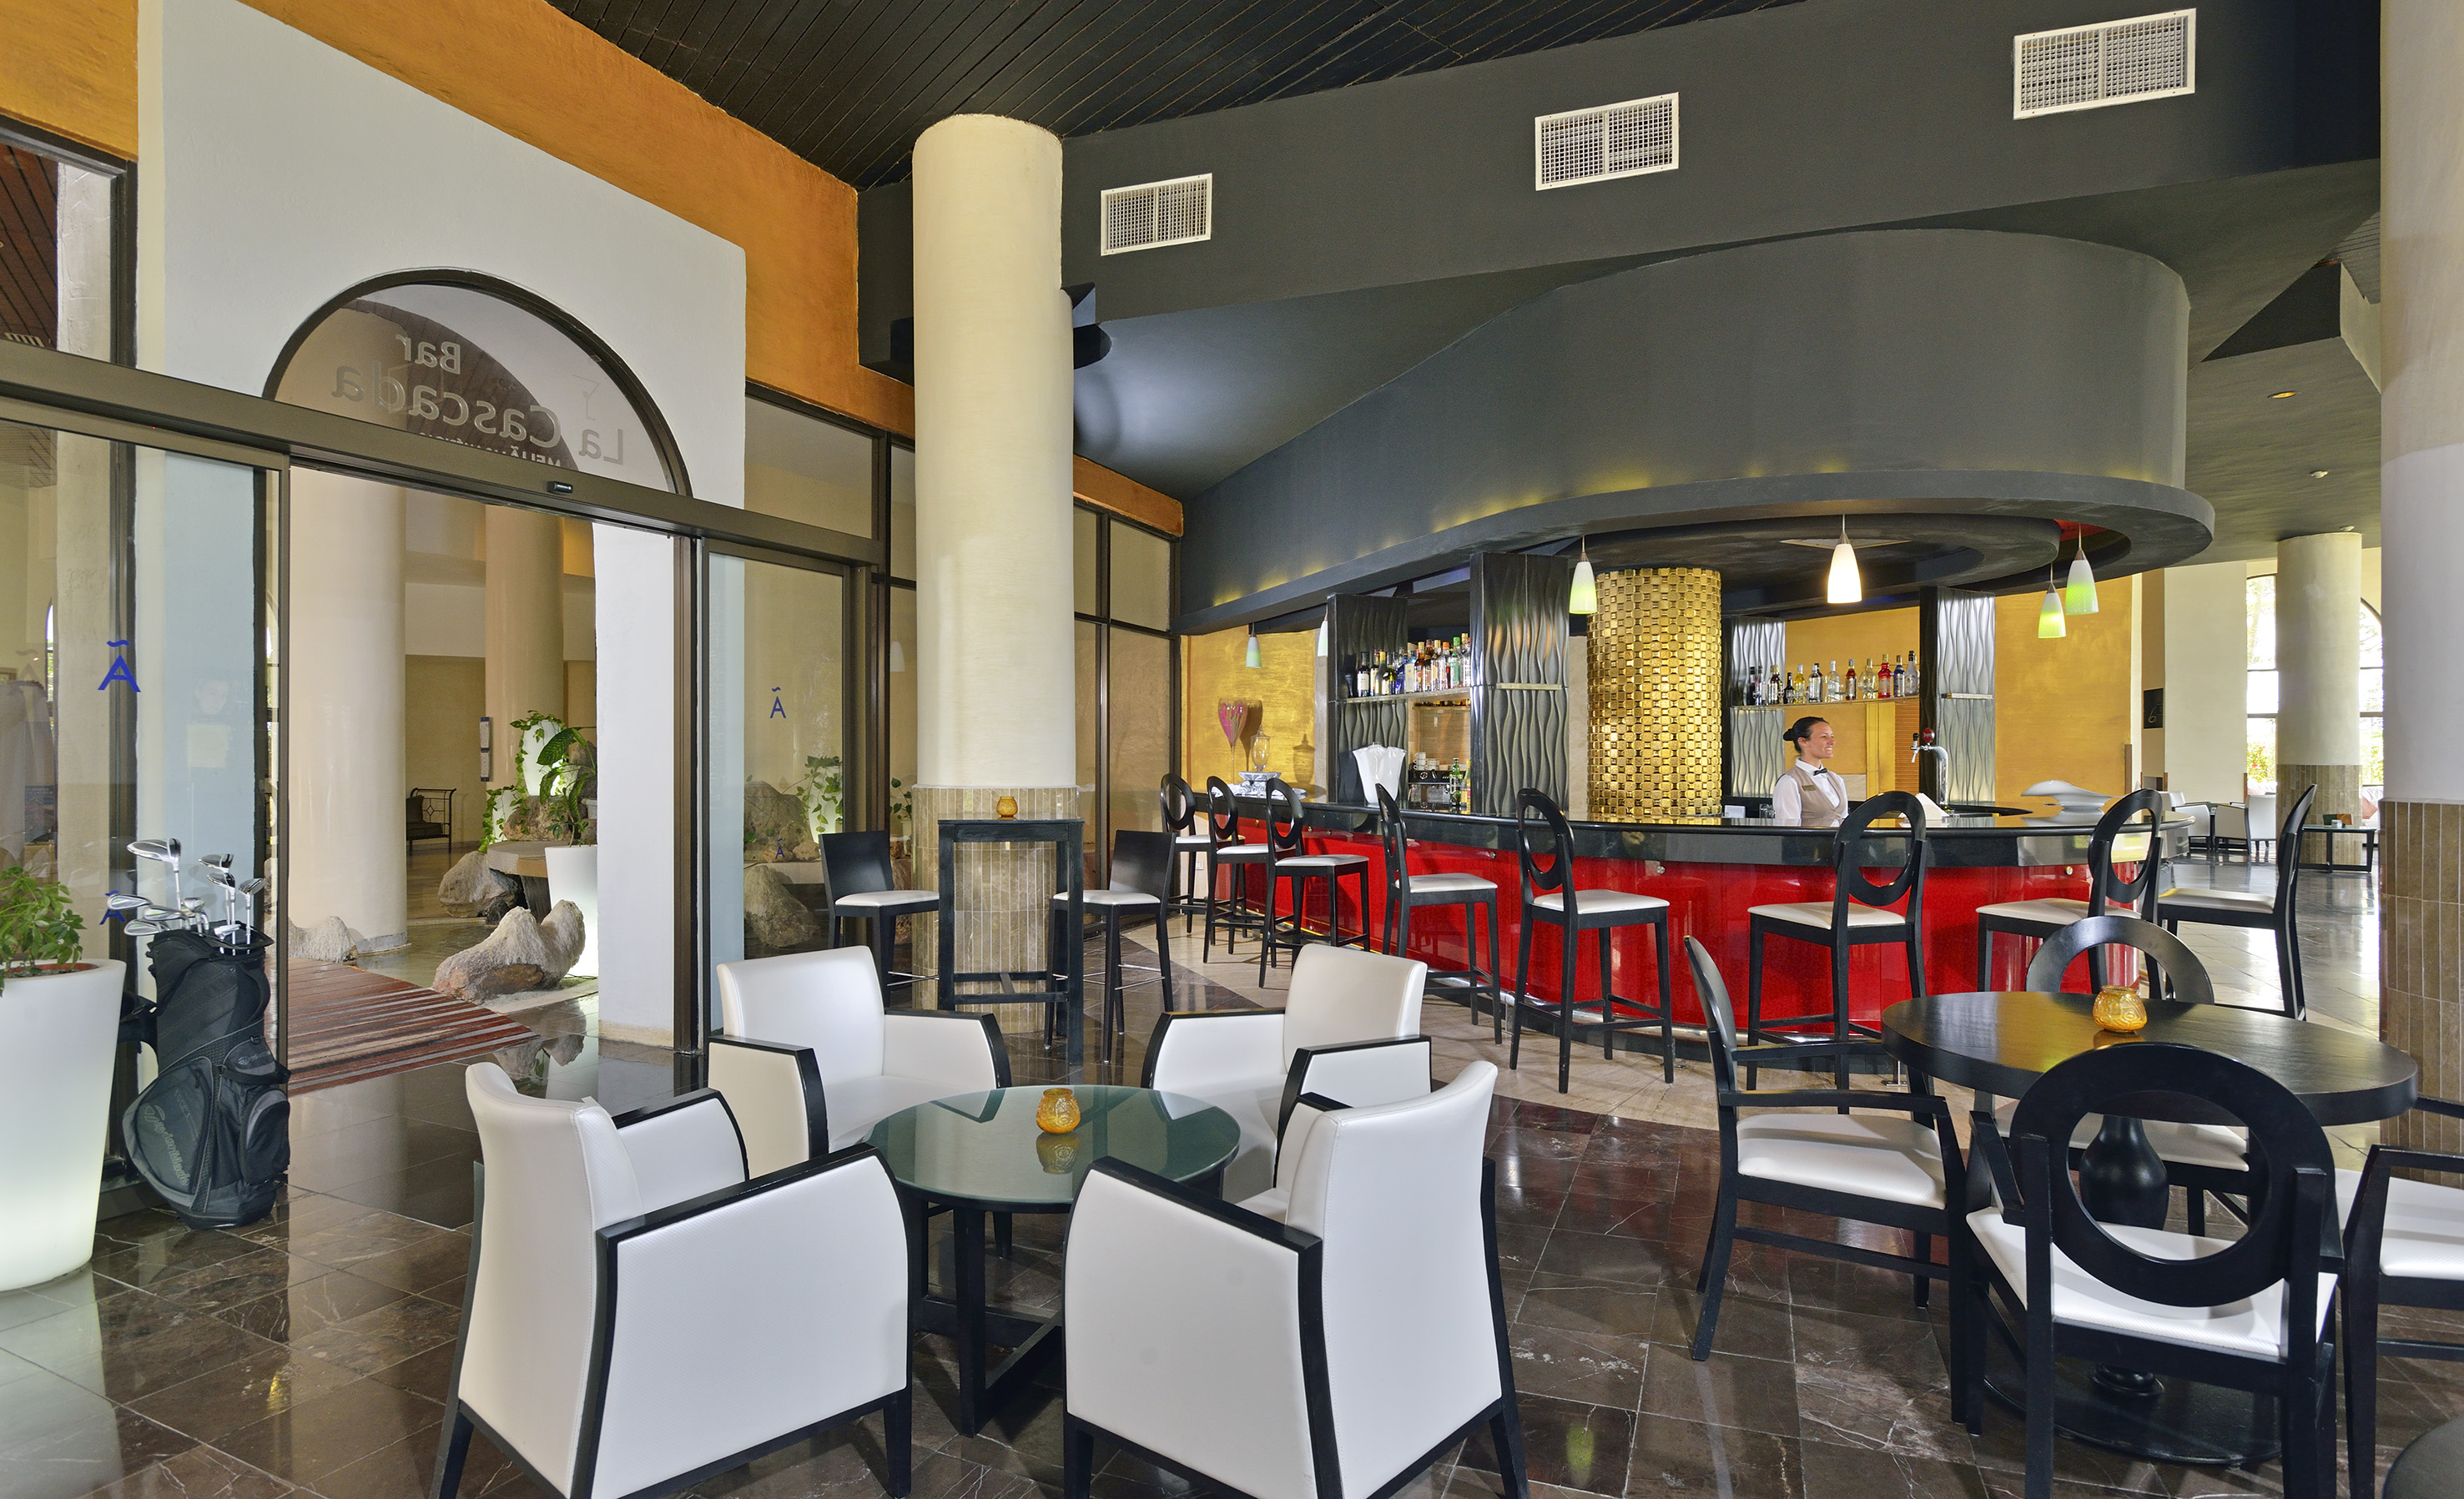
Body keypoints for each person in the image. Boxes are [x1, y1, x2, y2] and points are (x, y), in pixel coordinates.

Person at [1771, 717, 1846, 827]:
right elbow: (1787, 828)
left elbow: (1844, 819)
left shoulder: (1836, 779)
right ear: (1803, 742)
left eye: (1832, 736)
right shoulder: (1789, 782)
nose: (1832, 742)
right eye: (1824, 737)